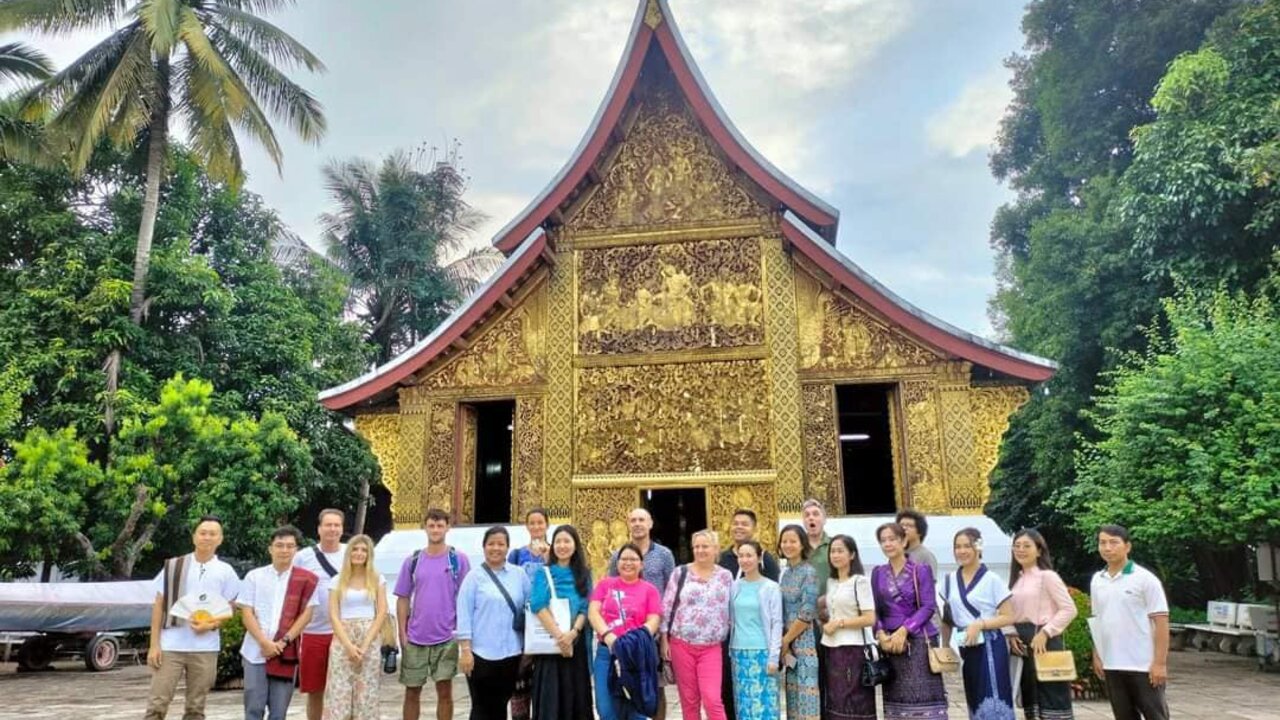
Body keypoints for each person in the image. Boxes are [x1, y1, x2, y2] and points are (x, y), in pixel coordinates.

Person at [394, 508, 472, 720]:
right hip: (416, 635)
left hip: (447, 635)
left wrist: (464, 634)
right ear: (425, 527)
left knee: (445, 691)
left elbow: (466, 599)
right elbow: (402, 598)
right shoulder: (413, 560)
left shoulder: (458, 560)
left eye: (440, 525)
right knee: (411, 691)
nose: (435, 529)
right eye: (431, 525)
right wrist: (402, 632)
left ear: (448, 527)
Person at [1090, 525, 1170, 720]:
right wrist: (1097, 654)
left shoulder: (1144, 579)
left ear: (1127, 546)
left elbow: (1161, 621)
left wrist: (1159, 663)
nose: (1107, 547)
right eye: (1103, 543)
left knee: (1156, 715)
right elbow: (1097, 620)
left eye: (1113, 542)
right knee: (1123, 716)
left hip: (1143, 664)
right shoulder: (1097, 580)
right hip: (1112, 663)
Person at [239, 525, 319, 720]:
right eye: (279, 545)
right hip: (254, 652)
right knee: (253, 710)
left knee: (279, 713)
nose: (284, 550)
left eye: (290, 546)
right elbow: (246, 612)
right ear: (270, 548)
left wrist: (282, 642)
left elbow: (306, 615)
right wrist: (264, 643)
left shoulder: (306, 579)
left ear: (296, 550)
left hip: (286, 653)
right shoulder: (254, 576)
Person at [872, 521, 948, 720]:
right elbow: (875, 609)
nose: (888, 544)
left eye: (893, 539)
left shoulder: (920, 570)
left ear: (904, 540)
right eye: (883, 540)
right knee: (896, 701)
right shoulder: (878, 573)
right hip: (890, 645)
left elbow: (928, 606)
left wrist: (905, 630)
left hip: (918, 642)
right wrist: (880, 633)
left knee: (923, 697)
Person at [456, 526, 531, 720]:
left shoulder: (519, 575)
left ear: (507, 548)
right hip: (480, 654)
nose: (495, 548)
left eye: (501, 544)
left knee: (500, 706)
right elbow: (463, 614)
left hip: (511, 652)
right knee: (481, 707)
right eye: (491, 544)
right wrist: (465, 650)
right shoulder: (474, 578)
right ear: (484, 547)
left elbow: (531, 607)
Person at [608, 507, 676, 720]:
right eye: (633, 520)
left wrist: (665, 635)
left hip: (653, 632)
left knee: (656, 686)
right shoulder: (618, 556)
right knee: (626, 682)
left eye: (641, 520)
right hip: (625, 633)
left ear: (650, 524)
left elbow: (671, 594)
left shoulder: (664, 555)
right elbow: (612, 591)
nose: (637, 523)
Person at [941, 528, 1015, 720]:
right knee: (974, 697)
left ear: (978, 548)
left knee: (993, 698)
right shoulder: (948, 581)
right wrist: (944, 646)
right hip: (966, 645)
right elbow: (947, 618)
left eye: (967, 546)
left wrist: (981, 624)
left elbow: (1008, 616)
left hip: (991, 645)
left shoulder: (992, 579)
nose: (962, 551)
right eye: (957, 547)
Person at [660, 529, 733, 720]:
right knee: (689, 701)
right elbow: (666, 607)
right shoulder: (680, 572)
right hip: (681, 644)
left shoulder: (726, 576)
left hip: (711, 647)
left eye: (705, 546)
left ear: (716, 549)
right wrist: (664, 640)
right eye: (697, 546)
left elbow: (732, 609)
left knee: (712, 699)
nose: (700, 550)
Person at [717, 508, 780, 718]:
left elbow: (775, 619)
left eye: (745, 523)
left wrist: (774, 655)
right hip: (735, 649)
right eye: (736, 523)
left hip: (761, 648)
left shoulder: (769, 578)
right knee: (740, 702)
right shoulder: (725, 565)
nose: (739, 527)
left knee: (764, 704)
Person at [1008, 528, 1077, 720]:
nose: (1021, 550)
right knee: (1031, 698)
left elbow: (1069, 609)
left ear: (1039, 550)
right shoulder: (1016, 580)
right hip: (1023, 645)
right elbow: (1011, 614)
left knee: (1051, 696)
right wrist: (1012, 633)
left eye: (1027, 546)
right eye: (1017, 546)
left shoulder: (1048, 577)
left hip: (1045, 642)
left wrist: (1046, 632)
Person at [590, 542, 663, 720]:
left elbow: (654, 619)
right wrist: (609, 637)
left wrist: (635, 639)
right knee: (606, 709)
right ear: (617, 562)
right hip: (607, 652)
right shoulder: (604, 585)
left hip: (636, 655)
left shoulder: (650, 590)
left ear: (641, 564)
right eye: (624, 559)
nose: (628, 563)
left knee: (636, 707)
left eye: (633, 559)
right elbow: (593, 612)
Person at [529, 525, 594, 720]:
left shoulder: (584, 573)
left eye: (567, 541)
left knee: (577, 697)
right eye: (558, 541)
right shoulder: (544, 573)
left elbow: (586, 606)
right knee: (552, 699)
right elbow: (538, 605)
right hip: (550, 645)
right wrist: (560, 638)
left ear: (575, 545)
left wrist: (572, 634)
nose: (562, 546)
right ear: (552, 545)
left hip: (576, 644)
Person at [323, 534, 387, 720]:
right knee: (340, 692)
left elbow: (381, 612)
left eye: (364, 550)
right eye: (355, 549)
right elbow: (334, 615)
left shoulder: (377, 579)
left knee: (366, 693)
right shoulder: (337, 580)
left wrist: (366, 645)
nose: (359, 553)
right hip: (343, 638)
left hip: (369, 636)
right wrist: (349, 646)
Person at [296, 508, 349, 720]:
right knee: (315, 690)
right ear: (319, 528)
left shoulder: (352, 553)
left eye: (337, 525)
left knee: (344, 689)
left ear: (342, 529)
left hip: (345, 633)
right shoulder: (303, 557)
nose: (332, 529)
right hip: (313, 632)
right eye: (328, 525)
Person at [821, 534, 876, 720]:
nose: (835, 555)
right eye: (832, 551)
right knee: (835, 698)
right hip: (832, 647)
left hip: (853, 649)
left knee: (853, 699)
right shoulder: (831, 582)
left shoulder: (859, 582)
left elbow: (870, 618)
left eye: (840, 551)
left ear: (852, 554)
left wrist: (839, 623)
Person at [729, 540, 783, 720]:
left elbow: (777, 623)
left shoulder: (770, 587)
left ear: (759, 558)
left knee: (764, 705)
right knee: (744, 706)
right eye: (741, 556)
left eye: (749, 555)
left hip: (762, 652)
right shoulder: (734, 586)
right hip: (738, 653)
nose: (744, 560)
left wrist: (774, 656)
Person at [508, 508, 551, 720]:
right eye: (532, 523)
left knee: (545, 681)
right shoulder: (517, 554)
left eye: (540, 523)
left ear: (547, 525)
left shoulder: (556, 551)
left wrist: (547, 556)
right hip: (523, 623)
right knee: (520, 680)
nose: (536, 527)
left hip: (549, 623)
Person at [777, 524, 820, 720]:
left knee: (807, 697)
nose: (788, 545)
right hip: (789, 646)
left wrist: (786, 640)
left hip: (804, 642)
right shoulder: (786, 573)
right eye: (784, 541)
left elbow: (807, 612)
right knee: (792, 699)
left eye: (793, 541)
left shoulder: (808, 572)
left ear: (802, 544)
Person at [896, 509, 938, 577]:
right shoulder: (897, 552)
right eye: (901, 525)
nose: (904, 528)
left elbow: (930, 584)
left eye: (909, 526)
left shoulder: (926, 556)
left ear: (920, 532)